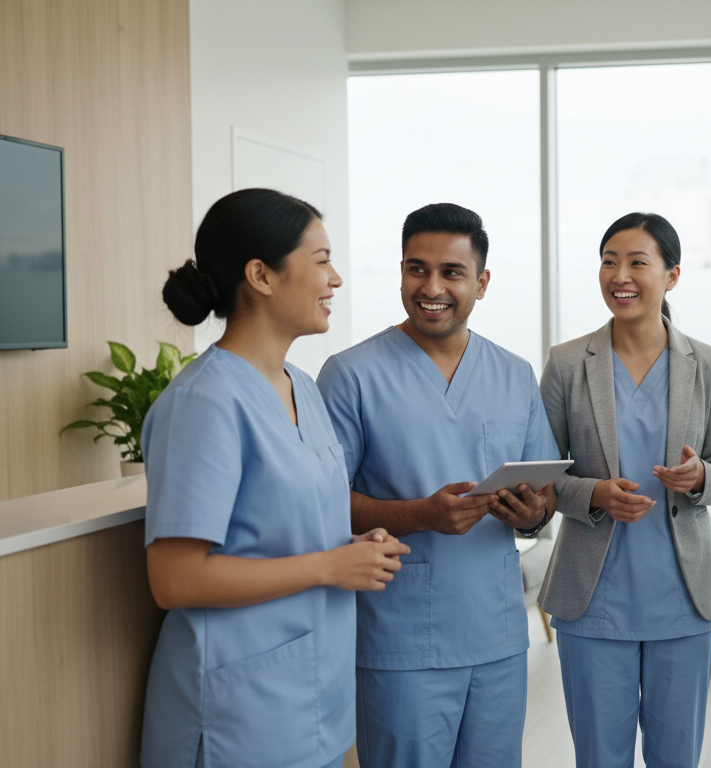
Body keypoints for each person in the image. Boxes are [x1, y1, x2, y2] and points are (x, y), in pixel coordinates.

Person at [141, 188, 410, 768]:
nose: (335, 278)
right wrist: (327, 566)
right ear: (261, 275)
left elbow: (288, 527)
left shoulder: (303, 389)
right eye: (320, 261)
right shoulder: (204, 402)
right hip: (237, 710)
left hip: (316, 698)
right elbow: (175, 578)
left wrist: (350, 549)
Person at [315, 202, 559, 768]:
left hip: (497, 636)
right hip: (400, 642)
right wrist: (423, 515)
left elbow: (543, 497)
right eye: (416, 268)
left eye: (451, 272)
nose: (431, 287)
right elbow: (322, 506)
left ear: (482, 282)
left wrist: (530, 515)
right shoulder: (350, 375)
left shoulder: (514, 373)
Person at [537, 212, 711, 768]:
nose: (619, 275)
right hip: (594, 600)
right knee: (600, 758)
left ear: (671, 276)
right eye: (608, 261)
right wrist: (594, 494)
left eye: (637, 262)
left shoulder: (709, 365)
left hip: (683, 598)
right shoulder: (567, 363)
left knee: (678, 757)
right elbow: (543, 474)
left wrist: (700, 479)